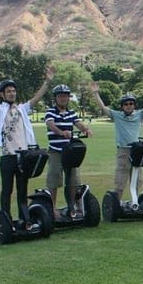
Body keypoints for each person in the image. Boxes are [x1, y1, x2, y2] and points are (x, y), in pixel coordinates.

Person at [0, 63, 54, 228]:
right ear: (3, 95)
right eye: (8, 91)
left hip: (24, 155)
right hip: (7, 156)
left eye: (13, 91)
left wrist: (47, 82)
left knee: (22, 190)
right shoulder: (0, 110)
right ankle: (6, 219)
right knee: (7, 190)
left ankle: (25, 219)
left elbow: (36, 98)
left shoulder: (22, 109)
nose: (12, 93)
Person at [90, 80, 143, 198]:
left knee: (137, 179)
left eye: (131, 104)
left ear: (134, 105)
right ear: (122, 106)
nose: (129, 106)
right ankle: (117, 203)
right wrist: (96, 93)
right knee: (120, 180)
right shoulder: (117, 115)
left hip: (136, 150)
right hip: (123, 151)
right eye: (126, 104)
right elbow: (103, 107)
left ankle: (135, 202)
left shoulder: (138, 114)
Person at [44, 84, 93, 220]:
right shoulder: (50, 112)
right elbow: (51, 125)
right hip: (56, 152)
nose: (63, 98)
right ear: (56, 98)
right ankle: (52, 209)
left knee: (73, 181)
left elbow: (78, 123)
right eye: (60, 96)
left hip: (70, 152)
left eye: (65, 96)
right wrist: (61, 132)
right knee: (54, 180)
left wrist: (86, 129)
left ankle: (72, 207)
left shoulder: (71, 113)